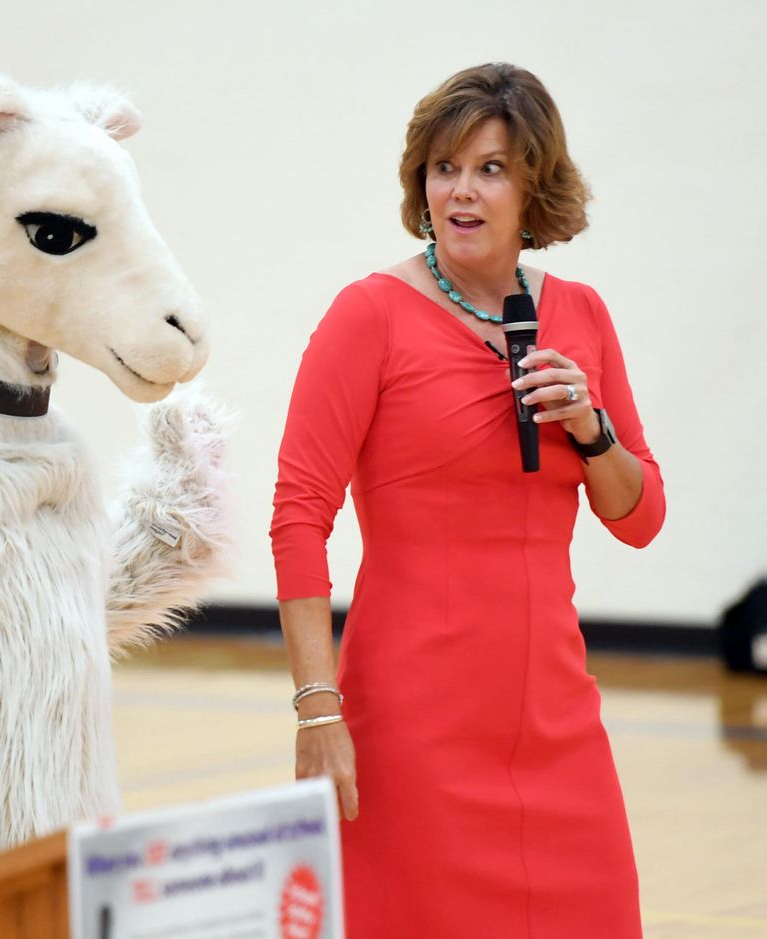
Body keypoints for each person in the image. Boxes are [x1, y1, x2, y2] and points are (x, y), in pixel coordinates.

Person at [270, 63, 664, 938]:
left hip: (555, 713)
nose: (461, 190)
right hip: (413, 724)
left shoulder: (582, 316)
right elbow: (300, 513)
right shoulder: (367, 316)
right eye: (444, 167)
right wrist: (317, 707)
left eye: (490, 168)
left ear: (534, 186)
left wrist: (592, 429)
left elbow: (640, 519)